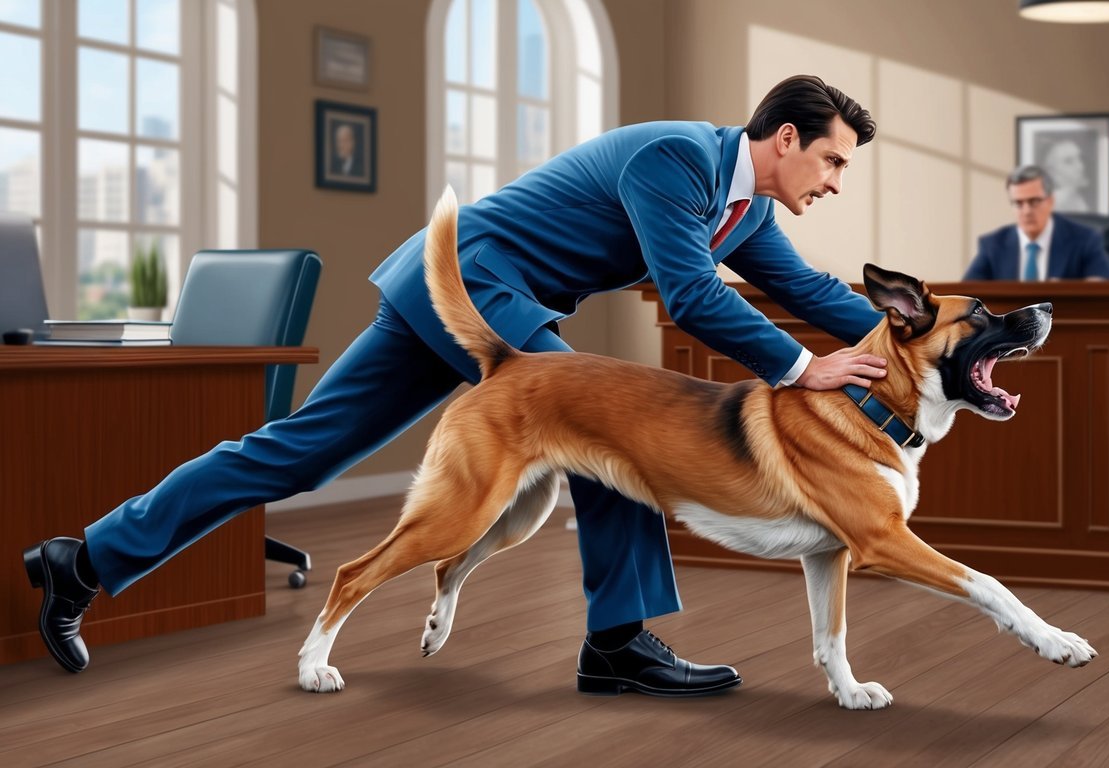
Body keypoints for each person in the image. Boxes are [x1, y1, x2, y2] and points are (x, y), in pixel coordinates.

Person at [23, 75, 889, 698]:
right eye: (833, 162)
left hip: (474, 299)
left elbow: (807, 291)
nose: (835, 181)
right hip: (471, 282)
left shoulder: (743, 208)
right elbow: (693, 295)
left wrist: (919, 342)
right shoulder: (677, 160)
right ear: (785, 139)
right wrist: (800, 367)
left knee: (302, 452)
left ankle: (84, 556)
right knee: (615, 427)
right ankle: (617, 647)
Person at [964, 165, 1109, 281]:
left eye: (1034, 201)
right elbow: (965, 297)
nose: (1026, 210)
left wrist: (1067, 289)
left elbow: (1104, 285)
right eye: (1018, 203)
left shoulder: (1085, 239)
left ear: (1050, 201)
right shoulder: (993, 245)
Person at [1041, 138, 1091, 213]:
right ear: (1051, 171)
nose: (1081, 166)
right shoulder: (1056, 204)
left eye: (1080, 158)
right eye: (1069, 161)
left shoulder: (1076, 198)